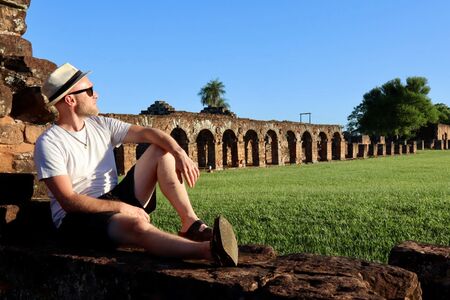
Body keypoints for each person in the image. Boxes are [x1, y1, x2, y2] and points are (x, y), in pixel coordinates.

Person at [34, 63, 238, 266]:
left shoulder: (100, 124)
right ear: (70, 99)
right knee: (136, 226)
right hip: (77, 218)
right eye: (89, 91)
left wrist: (179, 152)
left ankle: (190, 223)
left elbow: (148, 133)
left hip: (112, 197)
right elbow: (69, 201)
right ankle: (209, 251)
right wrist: (123, 208)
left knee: (161, 150)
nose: (96, 94)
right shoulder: (50, 142)